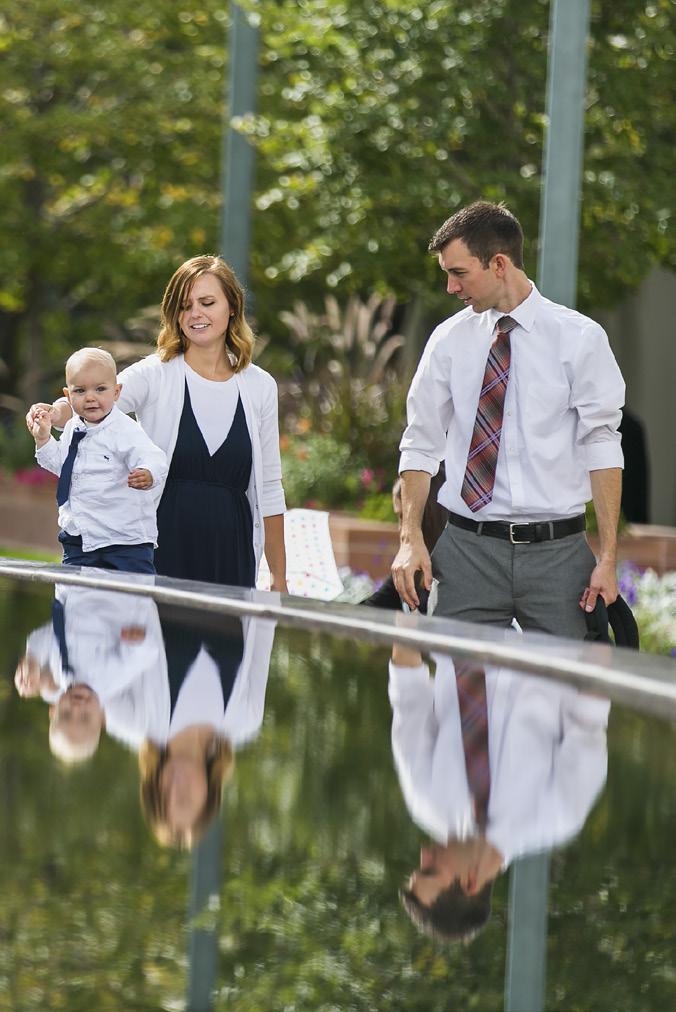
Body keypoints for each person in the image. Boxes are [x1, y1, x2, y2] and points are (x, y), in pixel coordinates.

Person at [392, 201, 625, 639]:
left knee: (562, 697)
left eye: (459, 273)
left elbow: (602, 445)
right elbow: (420, 443)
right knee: (459, 700)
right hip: (466, 554)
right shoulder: (448, 341)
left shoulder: (580, 339)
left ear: (498, 264)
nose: (450, 287)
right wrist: (410, 539)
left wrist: (608, 558)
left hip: (558, 558)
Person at [27, 255, 287, 590]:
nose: (196, 314)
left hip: (233, 555)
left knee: (232, 641)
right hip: (162, 551)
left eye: (207, 302)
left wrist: (279, 576)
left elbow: (269, 489)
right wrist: (53, 413)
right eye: (185, 305)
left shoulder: (260, 386)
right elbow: (94, 397)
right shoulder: (156, 373)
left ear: (232, 307)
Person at [389, 643, 609, 941]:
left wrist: (409, 609)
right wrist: (600, 619)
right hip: (548, 635)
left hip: (462, 622)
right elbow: (588, 721)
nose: (424, 854)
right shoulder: (557, 817)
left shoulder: (423, 800)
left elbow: (409, 695)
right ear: (470, 882)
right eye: (430, 870)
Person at [29, 347, 168, 573]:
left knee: (131, 600)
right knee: (75, 600)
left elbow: (153, 456)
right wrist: (44, 438)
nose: (91, 397)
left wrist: (148, 472)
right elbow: (62, 466)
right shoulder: (74, 428)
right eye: (80, 391)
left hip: (124, 541)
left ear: (116, 391)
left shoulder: (124, 430)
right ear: (68, 395)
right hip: (79, 537)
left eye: (100, 389)